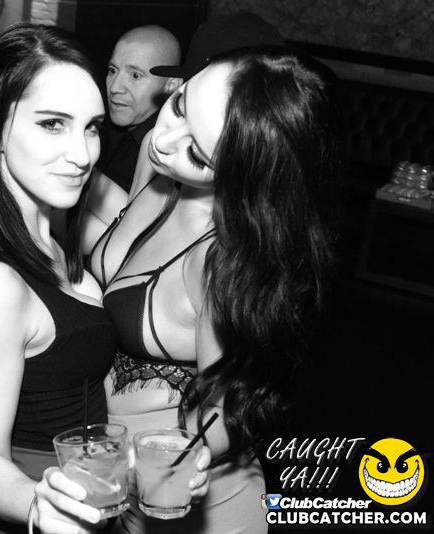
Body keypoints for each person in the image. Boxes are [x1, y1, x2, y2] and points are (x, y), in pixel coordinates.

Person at [82, 31, 339, 534]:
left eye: (198, 154)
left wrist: (191, 452)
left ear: (245, 175)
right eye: (179, 105)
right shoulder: (160, 165)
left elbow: (231, 403)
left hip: (190, 495)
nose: (164, 139)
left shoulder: (222, 260)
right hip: (114, 475)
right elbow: (118, 251)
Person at [0, 23, 119, 534]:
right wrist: (41, 507)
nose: (83, 154)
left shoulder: (43, 235)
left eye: (92, 127)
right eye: (53, 124)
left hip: (87, 491)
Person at [97, 25, 181, 194]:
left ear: (171, 85)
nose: (114, 88)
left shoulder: (167, 154)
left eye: (135, 75)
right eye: (113, 71)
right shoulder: (97, 124)